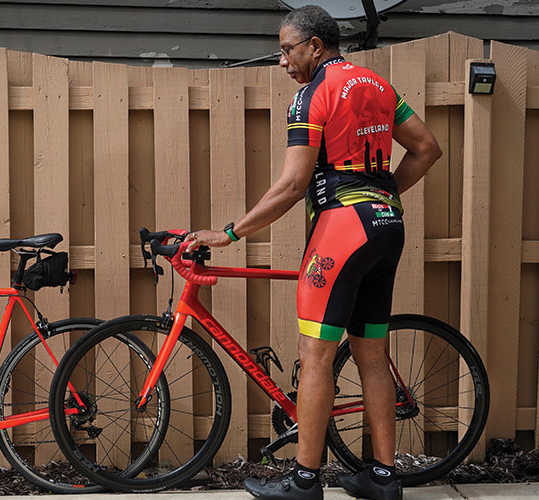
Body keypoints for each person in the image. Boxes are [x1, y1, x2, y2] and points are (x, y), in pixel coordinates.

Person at [184, 5, 442, 500]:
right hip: (387, 225)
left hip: (341, 231)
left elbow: (292, 186)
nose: (282, 61)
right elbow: (427, 148)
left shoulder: (310, 97)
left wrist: (229, 234)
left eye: (286, 50)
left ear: (315, 46)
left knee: (315, 354)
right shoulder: (379, 85)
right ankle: (384, 479)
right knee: (371, 353)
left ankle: (304, 480)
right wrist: (383, 196)